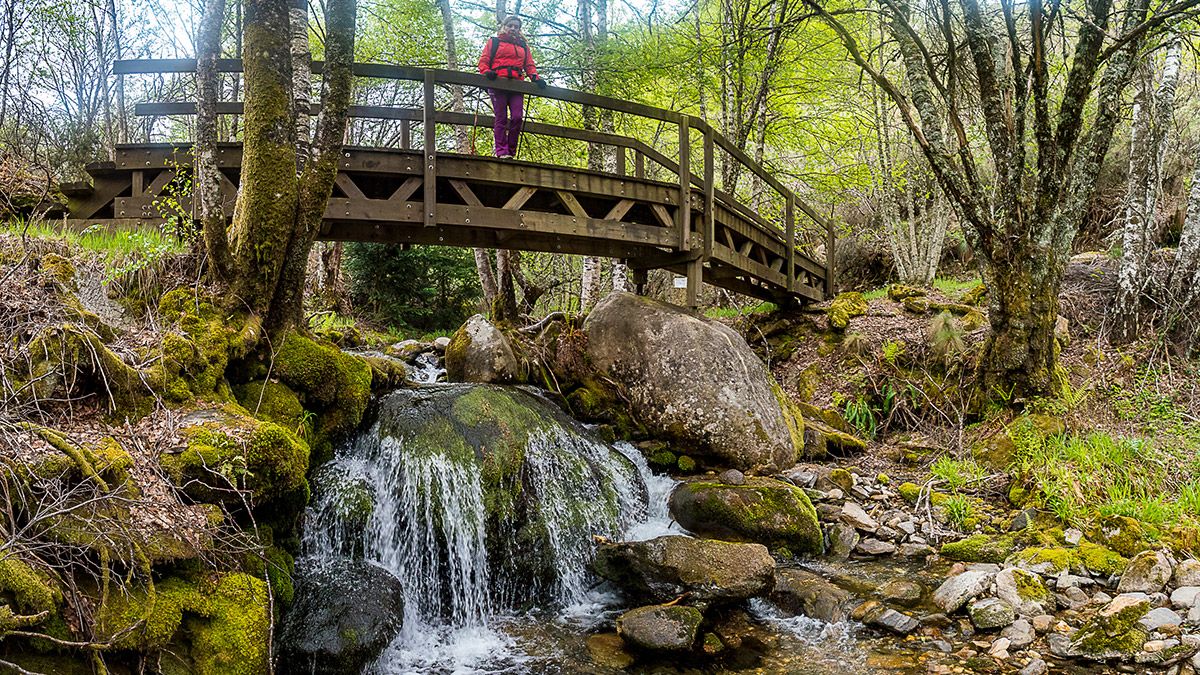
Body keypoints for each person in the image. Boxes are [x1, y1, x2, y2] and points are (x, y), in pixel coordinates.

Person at [478, 15, 546, 159]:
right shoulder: (494, 42)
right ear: (505, 27)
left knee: (517, 117)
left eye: (516, 27)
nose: (513, 29)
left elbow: (529, 65)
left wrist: (536, 78)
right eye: (510, 26)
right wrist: (487, 72)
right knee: (501, 117)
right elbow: (484, 60)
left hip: (516, 85)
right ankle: (502, 151)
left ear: (519, 29)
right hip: (498, 83)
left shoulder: (523, 46)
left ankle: (511, 151)